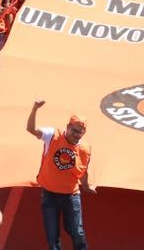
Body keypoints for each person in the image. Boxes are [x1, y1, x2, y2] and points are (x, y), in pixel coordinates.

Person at [27, 100, 94, 250]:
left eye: (80, 133)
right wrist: (35, 109)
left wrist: (86, 186)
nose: (76, 135)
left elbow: (83, 170)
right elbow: (31, 129)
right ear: (68, 127)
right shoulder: (52, 135)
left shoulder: (84, 149)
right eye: (74, 131)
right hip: (50, 195)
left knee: (78, 233)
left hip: (71, 196)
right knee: (53, 239)